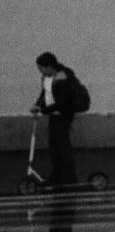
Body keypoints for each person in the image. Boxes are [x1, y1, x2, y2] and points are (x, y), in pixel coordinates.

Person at [28, 52, 82, 187]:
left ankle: (70, 177)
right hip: (53, 115)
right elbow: (44, 94)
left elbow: (63, 101)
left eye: (41, 68)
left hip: (63, 115)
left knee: (63, 147)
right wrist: (38, 105)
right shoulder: (45, 78)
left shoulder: (62, 76)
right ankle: (57, 176)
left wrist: (44, 110)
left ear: (49, 67)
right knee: (54, 147)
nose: (40, 71)